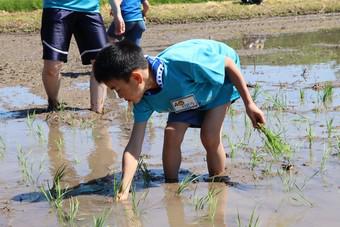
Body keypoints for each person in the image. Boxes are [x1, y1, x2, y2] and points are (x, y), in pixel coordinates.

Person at [93, 39, 266, 200]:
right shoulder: (143, 99)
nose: (119, 96)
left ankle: (219, 182)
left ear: (137, 78)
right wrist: (124, 189)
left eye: (117, 89)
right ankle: (172, 187)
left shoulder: (182, 64)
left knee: (209, 135)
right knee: (171, 134)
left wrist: (249, 104)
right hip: (184, 97)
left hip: (217, 85)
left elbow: (227, 64)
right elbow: (134, 145)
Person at [41, 0, 119, 113]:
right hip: (57, 8)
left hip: (90, 10)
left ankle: (97, 111)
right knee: (52, 67)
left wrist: (117, 12)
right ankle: (53, 102)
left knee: (101, 63)